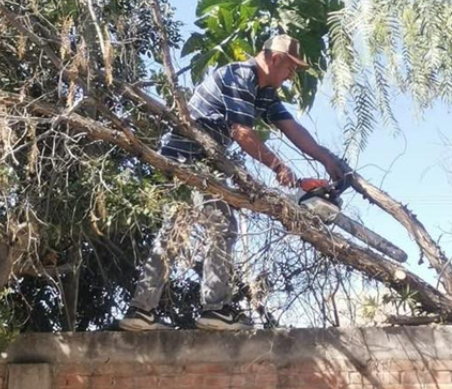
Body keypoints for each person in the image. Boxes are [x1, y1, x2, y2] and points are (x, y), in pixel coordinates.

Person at [118, 35, 352, 331]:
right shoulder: (241, 75)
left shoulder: (264, 91)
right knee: (223, 225)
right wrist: (280, 168)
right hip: (189, 157)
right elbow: (242, 133)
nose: (292, 76)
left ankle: (140, 311)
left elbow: (291, 127)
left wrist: (325, 158)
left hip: (203, 161)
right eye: (291, 69)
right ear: (275, 59)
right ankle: (214, 311)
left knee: (174, 231)